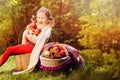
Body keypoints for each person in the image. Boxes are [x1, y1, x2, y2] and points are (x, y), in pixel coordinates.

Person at [0, 7, 55, 73]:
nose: (40, 20)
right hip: (28, 45)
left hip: (32, 47)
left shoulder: (46, 30)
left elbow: (37, 40)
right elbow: (31, 32)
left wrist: (28, 35)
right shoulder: (38, 26)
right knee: (10, 50)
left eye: (43, 18)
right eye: (38, 17)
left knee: (10, 50)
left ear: (48, 19)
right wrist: (29, 31)